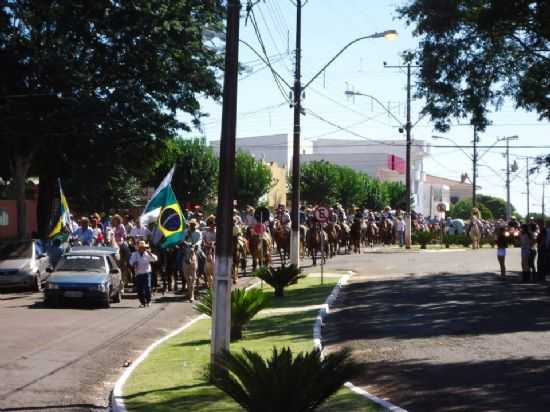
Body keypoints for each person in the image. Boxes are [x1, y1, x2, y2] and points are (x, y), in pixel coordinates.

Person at [129, 240, 157, 307]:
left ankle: (148, 301)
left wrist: (150, 253)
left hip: (147, 273)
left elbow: (155, 259)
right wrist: (134, 263)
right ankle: (142, 302)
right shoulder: (134, 254)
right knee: (140, 289)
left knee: (147, 287)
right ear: (138, 248)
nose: (142, 249)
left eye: (143, 247)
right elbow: (130, 262)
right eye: (141, 247)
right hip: (138, 274)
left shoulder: (147, 254)